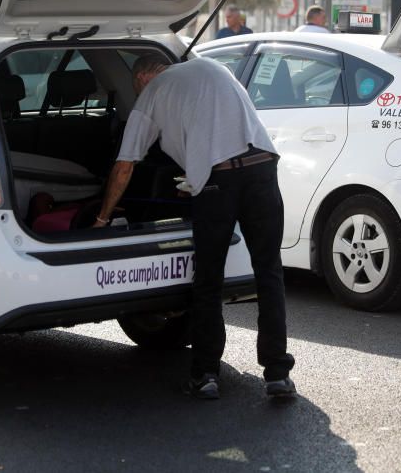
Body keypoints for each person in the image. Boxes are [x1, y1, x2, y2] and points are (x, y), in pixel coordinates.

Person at [93, 55, 296, 399]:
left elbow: (125, 166)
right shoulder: (215, 68)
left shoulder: (152, 92)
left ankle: (205, 375)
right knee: (269, 272)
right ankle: (277, 374)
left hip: (219, 181)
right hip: (262, 167)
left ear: (142, 77)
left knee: (208, 280)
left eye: (134, 87)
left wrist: (102, 218)